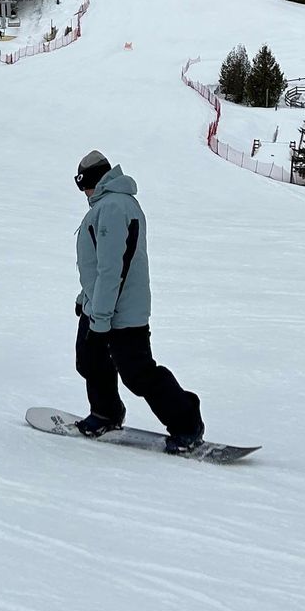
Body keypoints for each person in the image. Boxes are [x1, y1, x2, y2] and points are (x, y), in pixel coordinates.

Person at [71, 149, 204, 453]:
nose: (83, 193)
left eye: (83, 185)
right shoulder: (108, 205)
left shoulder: (113, 207)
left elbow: (111, 269)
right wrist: (85, 299)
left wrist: (101, 319)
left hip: (121, 312)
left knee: (137, 373)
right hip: (100, 305)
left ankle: (187, 423)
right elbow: (95, 265)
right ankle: (105, 413)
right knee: (90, 360)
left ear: (93, 180)